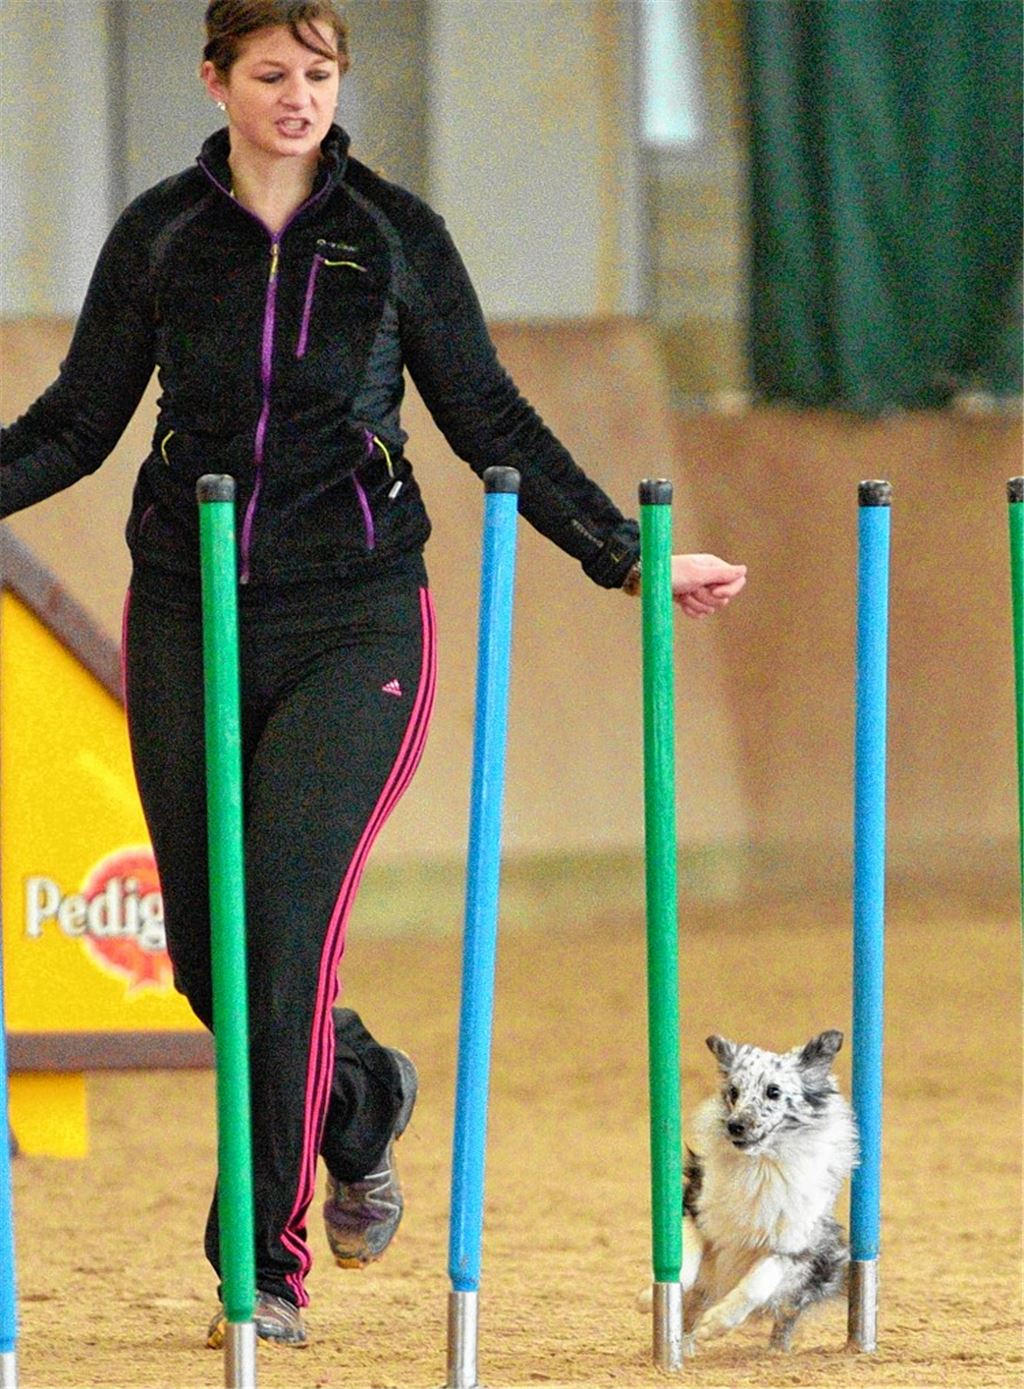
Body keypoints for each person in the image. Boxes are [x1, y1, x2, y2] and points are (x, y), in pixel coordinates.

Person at [0, 0, 747, 1351]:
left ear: (341, 82)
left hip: (357, 623)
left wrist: (627, 557)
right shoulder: (162, 237)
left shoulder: (394, 237)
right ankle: (361, 1097)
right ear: (217, 80)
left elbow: (490, 416)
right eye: (271, 74)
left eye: (320, 73)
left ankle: (263, 1258)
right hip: (187, 608)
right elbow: (74, 422)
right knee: (208, 958)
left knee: (283, 926)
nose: (298, 97)